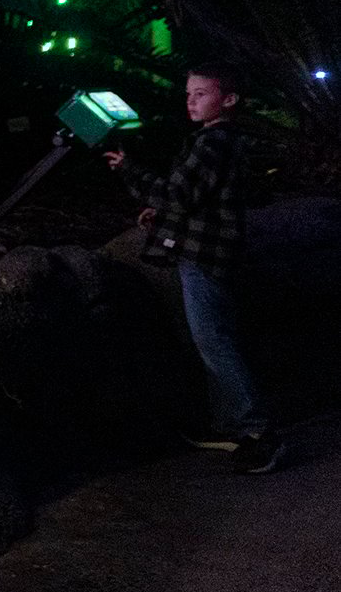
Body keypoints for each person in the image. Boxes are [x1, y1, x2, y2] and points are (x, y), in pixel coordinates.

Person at [105, 62, 281, 473]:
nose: (191, 101)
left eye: (201, 93)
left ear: (230, 99)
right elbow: (200, 197)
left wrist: (128, 170)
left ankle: (259, 433)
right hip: (214, 250)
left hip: (204, 255)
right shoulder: (226, 141)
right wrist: (161, 210)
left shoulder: (211, 143)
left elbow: (178, 195)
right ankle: (230, 424)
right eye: (188, 93)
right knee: (215, 337)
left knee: (213, 342)